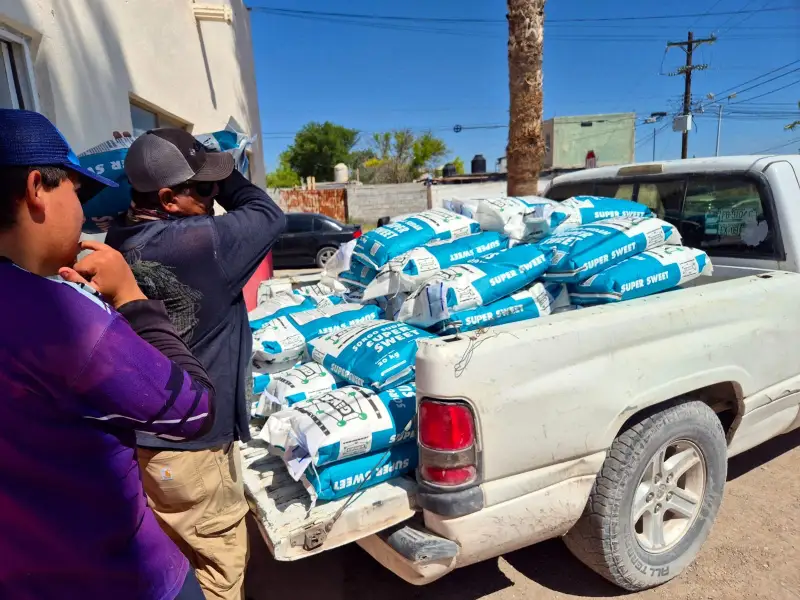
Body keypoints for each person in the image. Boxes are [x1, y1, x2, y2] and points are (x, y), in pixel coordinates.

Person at [0, 108, 216, 599]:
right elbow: (193, 411)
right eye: (76, 194)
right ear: (36, 189)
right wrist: (130, 298)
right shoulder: (60, 318)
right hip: (119, 579)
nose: (83, 216)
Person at [105, 128, 286, 599]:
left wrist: (203, 179)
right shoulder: (200, 243)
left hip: (149, 439)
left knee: (176, 557)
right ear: (168, 199)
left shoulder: (118, 238)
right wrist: (227, 177)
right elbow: (267, 213)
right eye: (203, 189)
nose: (212, 196)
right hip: (196, 448)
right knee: (219, 566)